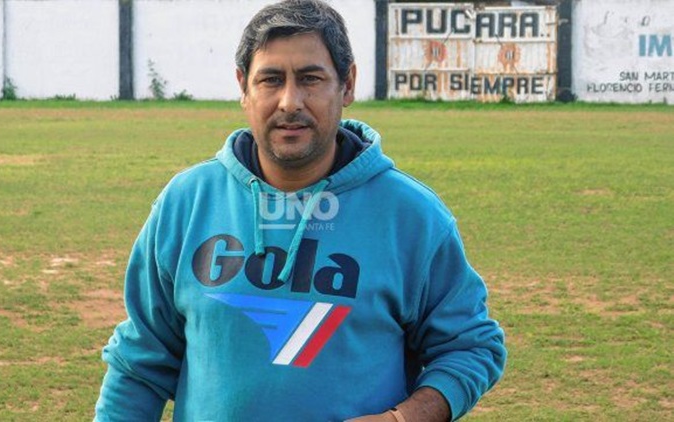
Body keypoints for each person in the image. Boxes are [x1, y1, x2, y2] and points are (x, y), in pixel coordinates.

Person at [94, 0, 506, 421]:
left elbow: (470, 346)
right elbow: (140, 363)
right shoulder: (187, 203)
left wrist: (403, 418)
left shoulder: (411, 216)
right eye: (271, 79)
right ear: (243, 87)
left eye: (310, 79)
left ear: (347, 85)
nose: (290, 101)